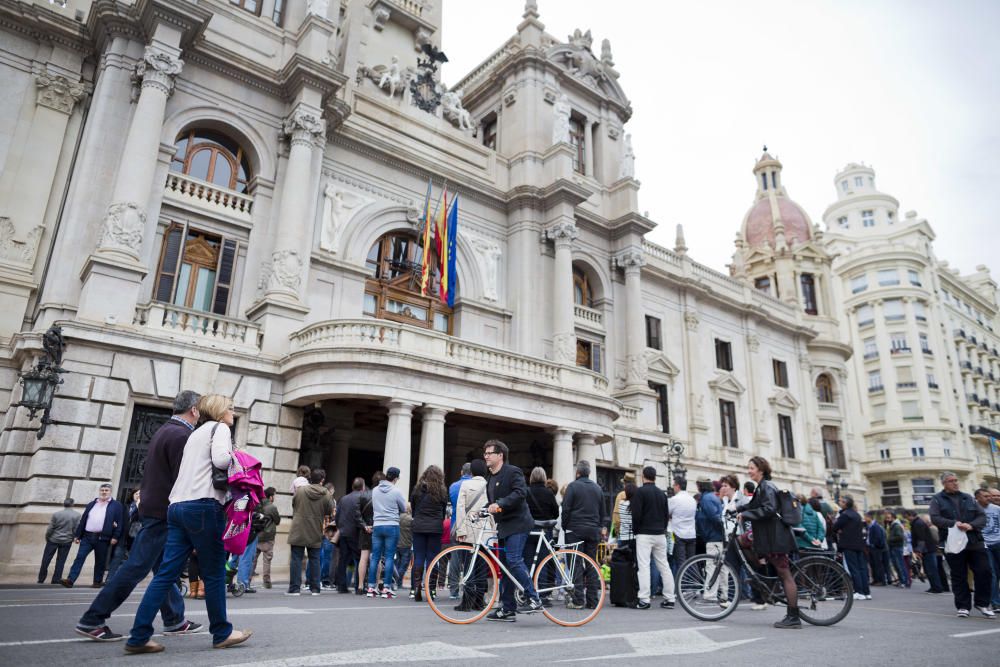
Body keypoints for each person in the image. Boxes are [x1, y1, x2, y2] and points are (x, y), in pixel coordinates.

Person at [124, 394, 250, 653]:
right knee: (214, 573)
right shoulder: (220, 428)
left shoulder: (195, 433)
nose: (232, 412)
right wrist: (239, 457)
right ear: (218, 410)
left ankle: (138, 637)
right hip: (203, 506)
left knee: (166, 573)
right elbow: (222, 461)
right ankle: (221, 633)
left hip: (177, 506)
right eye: (230, 408)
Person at [73, 392, 204, 642]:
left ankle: (175, 619)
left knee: (163, 567)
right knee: (135, 567)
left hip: (153, 508)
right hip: (163, 512)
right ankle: (93, 619)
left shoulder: (166, 430)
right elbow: (183, 480)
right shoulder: (182, 435)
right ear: (195, 410)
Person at [483, 439, 543, 621]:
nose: (485, 456)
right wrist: (483, 510)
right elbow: (494, 502)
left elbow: (520, 493)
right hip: (504, 526)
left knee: (514, 560)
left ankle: (534, 598)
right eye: (484, 453)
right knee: (506, 568)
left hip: (518, 523)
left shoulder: (512, 472)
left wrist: (499, 504)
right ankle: (507, 608)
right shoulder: (490, 478)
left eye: (489, 453)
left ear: (500, 455)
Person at [739, 456, 800, 629]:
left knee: (785, 575)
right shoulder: (762, 487)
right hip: (770, 538)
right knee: (781, 573)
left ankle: (793, 617)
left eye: (751, 468)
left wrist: (746, 515)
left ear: (761, 469)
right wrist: (738, 509)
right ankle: (763, 582)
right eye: (749, 467)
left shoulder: (767, 487)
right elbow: (753, 505)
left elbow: (769, 509)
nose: (749, 471)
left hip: (776, 538)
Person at [929, 472, 992, 617]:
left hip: (974, 540)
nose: (955, 483)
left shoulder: (968, 497)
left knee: (984, 571)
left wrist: (971, 525)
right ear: (944, 483)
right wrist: (953, 524)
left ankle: (982, 603)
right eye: (951, 481)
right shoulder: (937, 500)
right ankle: (963, 606)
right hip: (953, 542)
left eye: (956, 480)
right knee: (959, 575)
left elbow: (982, 516)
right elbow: (935, 518)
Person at [560, 460, 607, 609]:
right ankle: (593, 600)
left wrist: (565, 526)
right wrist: (598, 528)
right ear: (589, 473)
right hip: (593, 530)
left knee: (575, 564)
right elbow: (603, 513)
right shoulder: (597, 489)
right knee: (592, 564)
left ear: (577, 472)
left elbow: (566, 509)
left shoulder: (573, 487)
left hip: (575, 530)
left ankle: (578, 600)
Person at [61, 483, 123, 589]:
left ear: (110, 492)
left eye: (106, 490)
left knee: (100, 561)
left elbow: (119, 522)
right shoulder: (91, 504)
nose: (104, 492)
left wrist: (115, 536)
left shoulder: (116, 505)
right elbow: (83, 520)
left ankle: (97, 582)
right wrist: (78, 535)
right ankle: (70, 580)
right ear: (99, 491)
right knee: (79, 558)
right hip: (87, 537)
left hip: (103, 538)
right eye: (102, 490)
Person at [631, 466, 675, 610]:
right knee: (664, 566)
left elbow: (636, 515)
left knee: (643, 566)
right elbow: (665, 515)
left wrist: (636, 530)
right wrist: (662, 529)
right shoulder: (662, 494)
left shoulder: (640, 492)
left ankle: (644, 599)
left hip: (644, 533)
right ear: (655, 477)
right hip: (660, 534)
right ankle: (670, 598)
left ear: (643, 476)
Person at [288, 468, 335, 596]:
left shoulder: (301, 491)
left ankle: (294, 589)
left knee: (296, 558)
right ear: (322, 480)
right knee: (315, 559)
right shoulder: (326, 494)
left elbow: (294, 504)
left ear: (310, 479)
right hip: (315, 527)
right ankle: (315, 588)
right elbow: (330, 510)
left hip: (299, 527)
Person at [409, 465, 448, 602]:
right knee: (433, 559)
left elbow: (413, 509)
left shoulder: (417, 489)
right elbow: (443, 512)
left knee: (418, 557)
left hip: (419, 525)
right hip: (435, 527)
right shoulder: (442, 491)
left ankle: (416, 588)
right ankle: (431, 590)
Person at [368, 466, 407, 598]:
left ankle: (371, 587)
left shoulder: (375, 490)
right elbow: (404, 508)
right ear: (396, 478)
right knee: (390, 557)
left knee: (375, 557)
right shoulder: (396, 491)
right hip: (391, 525)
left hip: (377, 525)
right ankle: (386, 588)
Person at [525, 466, 559, 603]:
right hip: (545, 531)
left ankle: (529, 593)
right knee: (543, 563)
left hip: (528, 530)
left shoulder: (526, 492)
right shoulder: (548, 493)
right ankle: (543, 595)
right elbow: (556, 513)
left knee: (528, 563)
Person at [833, 495, 870, 601]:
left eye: (841, 502)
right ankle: (866, 592)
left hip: (849, 545)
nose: (839, 503)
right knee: (862, 568)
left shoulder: (845, 515)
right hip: (859, 545)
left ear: (845, 503)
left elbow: (835, 527)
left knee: (854, 569)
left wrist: (840, 530)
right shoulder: (857, 515)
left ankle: (859, 591)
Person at [39, 498, 79, 585]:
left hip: (53, 539)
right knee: (61, 561)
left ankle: (41, 578)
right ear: (72, 504)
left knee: (46, 559)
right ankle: (56, 579)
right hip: (67, 541)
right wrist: (73, 538)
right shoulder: (77, 515)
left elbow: (50, 528)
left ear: (64, 504)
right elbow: (76, 529)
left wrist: (48, 537)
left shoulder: (56, 514)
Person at [335, 477, 365, 593]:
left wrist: (340, 527)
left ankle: (341, 586)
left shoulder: (343, 499)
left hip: (343, 532)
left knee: (343, 560)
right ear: (362, 487)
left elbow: (337, 516)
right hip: (356, 533)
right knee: (359, 559)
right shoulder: (362, 498)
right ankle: (359, 585)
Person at [905, 509, 943, 594]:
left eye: (907, 516)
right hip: (926, 549)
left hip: (927, 550)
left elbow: (921, 538)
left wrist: (918, 550)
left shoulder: (918, 523)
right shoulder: (917, 523)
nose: (906, 518)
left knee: (931, 569)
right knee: (929, 569)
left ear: (911, 515)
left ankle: (937, 587)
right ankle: (934, 586)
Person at [253, 487, 280, 589]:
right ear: (271, 496)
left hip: (256, 536)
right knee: (267, 560)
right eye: (274, 495)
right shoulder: (272, 507)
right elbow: (277, 521)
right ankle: (266, 582)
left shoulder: (257, 504)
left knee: (253, 560)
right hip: (268, 537)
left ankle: (247, 581)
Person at [669, 476, 697, 575]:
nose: (673, 487)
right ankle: (695, 586)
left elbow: (667, 513)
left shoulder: (674, 499)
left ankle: (683, 586)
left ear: (678, 486)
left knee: (681, 563)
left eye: (673, 485)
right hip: (691, 534)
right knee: (692, 562)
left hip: (679, 534)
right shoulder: (692, 500)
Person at [984, 488, 1000, 610]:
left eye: (998, 495)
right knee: (992, 574)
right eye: (992, 495)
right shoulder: (977, 509)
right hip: (985, 546)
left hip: (998, 543)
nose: (995, 497)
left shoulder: (998, 509)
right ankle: (995, 602)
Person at [885, 510, 910, 587]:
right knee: (897, 565)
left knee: (900, 565)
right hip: (894, 547)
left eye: (889, 518)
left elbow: (900, 537)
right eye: (887, 518)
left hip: (897, 547)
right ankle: (902, 581)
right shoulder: (893, 525)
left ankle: (904, 581)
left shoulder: (896, 525)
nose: (887, 519)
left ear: (893, 518)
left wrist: (889, 539)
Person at [865, 511, 890, 586]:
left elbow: (879, 537)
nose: (865, 519)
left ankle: (881, 580)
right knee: (873, 564)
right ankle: (875, 579)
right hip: (871, 547)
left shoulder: (875, 526)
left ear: (869, 517)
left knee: (878, 564)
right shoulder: (870, 526)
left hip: (876, 548)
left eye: (866, 517)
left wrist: (875, 545)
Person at [394, 510, 413, 592]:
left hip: (397, 544)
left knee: (397, 564)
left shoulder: (397, 518)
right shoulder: (410, 520)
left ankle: (396, 582)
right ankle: (398, 582)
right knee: (404, 565)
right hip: (406, 544)